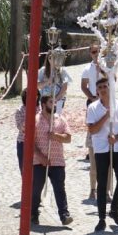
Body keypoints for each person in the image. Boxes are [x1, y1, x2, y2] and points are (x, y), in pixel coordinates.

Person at [87, 77, 118, 233]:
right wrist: (106, 116)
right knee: (102, 184)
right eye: (99, 87)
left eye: (105, 86)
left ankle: (114, 210)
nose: (102, 89)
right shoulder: (93, 108)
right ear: (97, 90)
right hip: (101, 149)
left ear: (110, 88)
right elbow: (92, 130)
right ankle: (101, 218)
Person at [32, 94, 72, 226]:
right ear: (43, 104)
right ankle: (33, 214)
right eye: (51, 102)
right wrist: (41, 157)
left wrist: (55, 136)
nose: (54, 104)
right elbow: (30, 143)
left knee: (60, 189)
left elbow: (68, 138)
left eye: (55, 102)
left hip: (57, 161)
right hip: (39, 161)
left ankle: (64, 215)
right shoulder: (35, 120)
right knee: (36, 189)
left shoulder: (60, 119)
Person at [80, 45, 102, 200]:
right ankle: (93, 189)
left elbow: (112, 80)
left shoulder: (105, 67)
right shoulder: (87, 68)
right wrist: (93, 98)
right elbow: (83, 86)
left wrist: (102, 69)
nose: (96, 54)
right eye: (94, 52)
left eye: (98, 52)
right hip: (93, 100)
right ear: (90, 53)